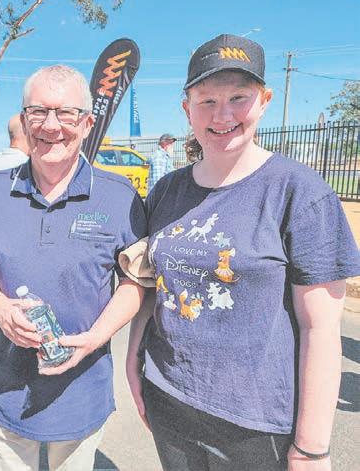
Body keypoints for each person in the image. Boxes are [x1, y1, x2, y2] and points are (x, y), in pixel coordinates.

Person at [125, 33, 360, 471]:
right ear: (187, 108)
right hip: (168, 399)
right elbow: (151, 285)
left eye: (238, 97)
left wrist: (312, 447)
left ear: (264, 101)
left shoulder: (299, 193)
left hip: (256, 425)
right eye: (207, 101)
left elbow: (322, 329)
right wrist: (132, 360)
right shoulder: (167, 191)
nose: (223, 115)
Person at [0, 64, 147, 470]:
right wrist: (0, 309)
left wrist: (95, 337)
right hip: (4, 392)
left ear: (87, 123)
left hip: (82, 394)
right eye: (38, 112)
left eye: (66, 113)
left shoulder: (119, 196)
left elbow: (136, 282)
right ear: (23, 119)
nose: (51, 126)